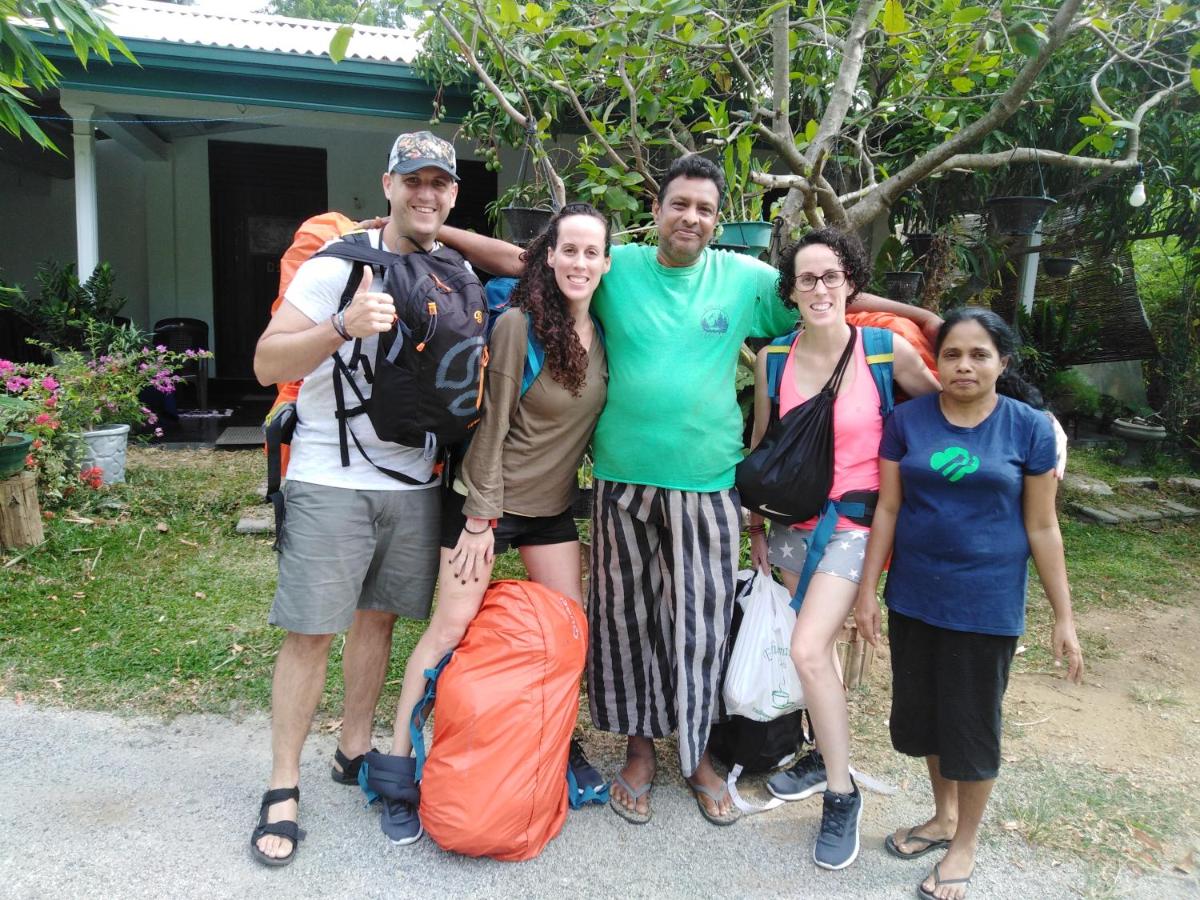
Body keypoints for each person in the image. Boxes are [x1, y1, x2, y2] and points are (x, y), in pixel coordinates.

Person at [437, 154, 942, 827]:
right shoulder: (622, 269)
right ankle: (640, 752)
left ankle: (699, 755)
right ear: (657, 210)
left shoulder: (744, 280)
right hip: (621, 482)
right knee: (625, 624)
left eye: (705, 208)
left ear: (716, 219)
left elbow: (827, 291)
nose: (692, 218)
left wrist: (922, 317)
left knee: (698, 629)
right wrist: (440, 233)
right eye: (681, 204)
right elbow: (520, 259)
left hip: (708, 486)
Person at [361, 202, 611, 845]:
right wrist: (478, 521)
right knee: (447, 631)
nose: (580, 262)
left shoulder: (602, 333)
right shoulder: (519, 327)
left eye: (592, 252)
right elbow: (492, 430)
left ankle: (551, 750)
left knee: (568, 638)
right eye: (569, 250)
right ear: (547, 258)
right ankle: (397, 769)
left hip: (551, 508)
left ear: (606, 263)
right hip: (486, 506)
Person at [248, 131, 461, 867]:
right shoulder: (336, 265)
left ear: (453, 196)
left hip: (413, 482)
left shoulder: (452, 271)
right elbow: (266, 361)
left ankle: (352, 747)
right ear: (390, 186)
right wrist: (341, 326)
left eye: (439, 183)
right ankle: (282, 785)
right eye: (414, 181)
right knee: (311, 630)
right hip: (331, 478)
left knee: (378, 624)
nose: (426, 194)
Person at [853, 307, 1084, 900]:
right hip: (914, 598)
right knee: (927, 718)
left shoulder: (1029, 427)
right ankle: (944, 816)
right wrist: (867, 593)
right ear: (938, 360)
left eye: (979, 354)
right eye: (953, 353)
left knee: (972, 727)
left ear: (1001, 363)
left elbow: (1043, 527)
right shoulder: (907, 420)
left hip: (985, 604)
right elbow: (888, 509)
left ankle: (965, 845)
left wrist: (1064, 616)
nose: (964, 365)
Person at [745, 228, 940, 869]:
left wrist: (1038, 421)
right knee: (813, 655)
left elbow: (960, 406)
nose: (820, 288)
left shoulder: (885, 353)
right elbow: (764, 447)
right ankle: (816, 750)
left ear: (851, 282)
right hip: (789, 529)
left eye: (831, 276)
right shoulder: (775, 357)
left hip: (854, 529)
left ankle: (839, 792)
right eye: (807, 279)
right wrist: (754, 531)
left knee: (805, 649)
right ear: (791, 292)